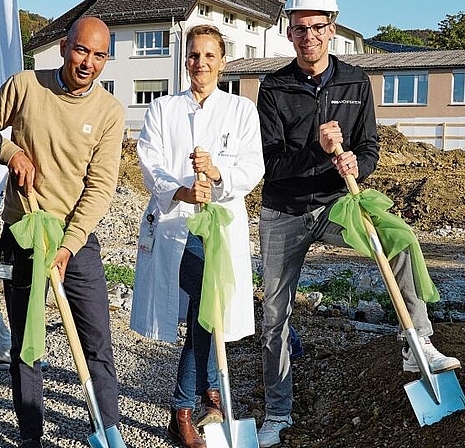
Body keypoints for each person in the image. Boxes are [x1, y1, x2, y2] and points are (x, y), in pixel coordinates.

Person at [255, 1, 461, 446]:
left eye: (315, 27)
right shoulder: (274, 87)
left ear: (331, 30)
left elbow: (369, 148)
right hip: (284, 210)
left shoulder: (355, 81)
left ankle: (418, 343)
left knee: (398, 237)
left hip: (335, 204)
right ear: (289, 35)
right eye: (298, 29)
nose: (307, 36)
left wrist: (355, 163)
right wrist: (318, 147)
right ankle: (277, 412)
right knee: (275, 316)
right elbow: (270, 164)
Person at [0, 16, 124, 448]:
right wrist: (11, 153)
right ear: (64, 47)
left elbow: (100, 187)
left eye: (99, 55)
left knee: (96, 338)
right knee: (27, 338)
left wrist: (67, 246)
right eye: (82, 50)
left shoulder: (109, 112)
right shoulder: (25, 85)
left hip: (74, 241)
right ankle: (30, 435)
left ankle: (106, 428)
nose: (89, 63)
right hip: (21, 234)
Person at [130, 24, 265, 448]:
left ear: (223, 61)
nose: (200, 64)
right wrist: (184, 189)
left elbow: (252, 167)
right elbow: (149, 161)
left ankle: (198, 394)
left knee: (210, 313)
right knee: (203, 314)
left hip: (220, 224)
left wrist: (217, 174)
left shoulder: (241, 110)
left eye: (209, 56)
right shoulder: (163, 109)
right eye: (193, 55)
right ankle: (185, 406)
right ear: (184, 60)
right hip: (176, 224)